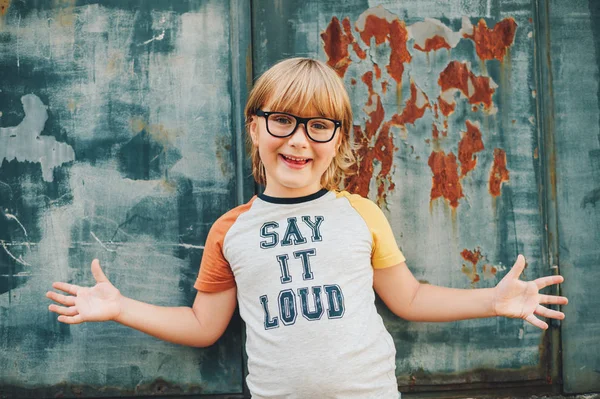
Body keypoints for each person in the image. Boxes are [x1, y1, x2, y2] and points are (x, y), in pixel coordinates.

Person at [47, 58, 568, 399]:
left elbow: (408, 298)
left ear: (338, 141)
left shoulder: (360, 213)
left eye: (319, 126)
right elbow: (205, 326)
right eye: (283, 121)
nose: (299, 140)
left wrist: (492, 301)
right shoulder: (231, 231)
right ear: (255, 127)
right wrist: (120, 309)